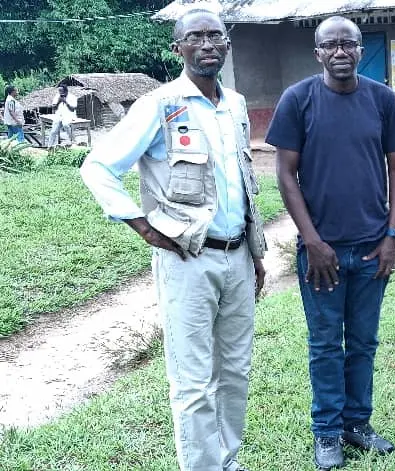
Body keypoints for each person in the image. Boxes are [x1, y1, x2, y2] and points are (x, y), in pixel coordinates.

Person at [79, 8, 266, 471]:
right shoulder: (160, 105)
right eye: (195, 37)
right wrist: (142, 226)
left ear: (227, 45)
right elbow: (98, 167)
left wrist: (256, 254)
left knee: (235, 372)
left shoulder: (235, 104)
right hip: (188, 260)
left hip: (239, 257)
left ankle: (228, 461)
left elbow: (240, 184)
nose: (207, 44)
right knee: (193, 382)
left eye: (215, 36)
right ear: (177, 48)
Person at [265, 15, 395, 470]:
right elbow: (285, 174)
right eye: (330, 45)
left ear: (361, 49)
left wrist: (391, 236)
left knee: (364, 342)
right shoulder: (298, 100)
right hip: (321, 253)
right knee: (326, 344)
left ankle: (357, 423)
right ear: (318, 53)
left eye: (348, 43)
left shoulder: (381, 99)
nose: (340, 52)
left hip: (372, 250)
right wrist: (312, 241)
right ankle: (327, 431)